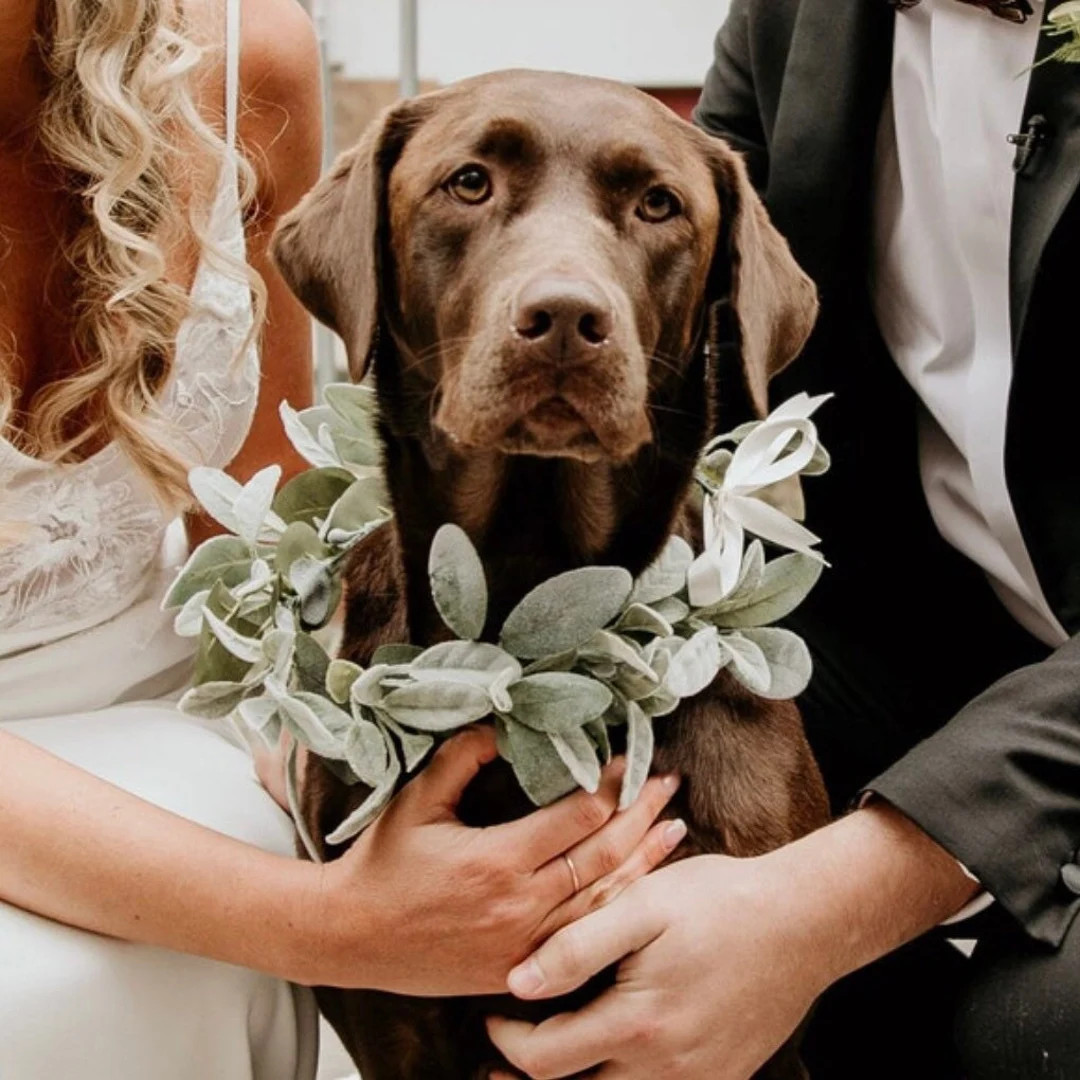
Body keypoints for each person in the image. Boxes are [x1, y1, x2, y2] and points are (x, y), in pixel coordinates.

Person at [0, 2, 681, 1076]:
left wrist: (374, 742)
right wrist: (338, 922)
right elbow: (342, 924)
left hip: (193, 731)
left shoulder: (244, 53)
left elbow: (268, 514)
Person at [486, 2, 1080, 1078]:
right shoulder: (791, 16)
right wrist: (391, 679)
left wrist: (822, 905)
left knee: (1020, 1034)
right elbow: (676, 344)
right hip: (927, 647)